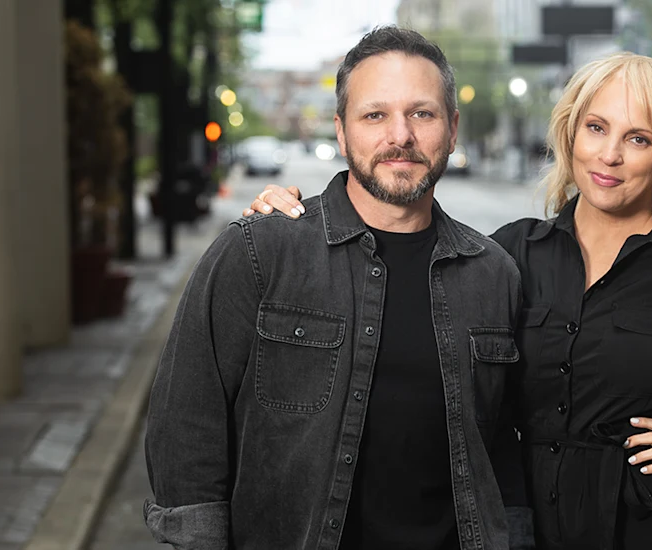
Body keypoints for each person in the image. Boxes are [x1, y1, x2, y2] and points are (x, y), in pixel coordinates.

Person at [247, 52, 652, 549]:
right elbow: (394, 280)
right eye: (596, 128)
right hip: (525, 525)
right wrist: (296, 221)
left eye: (637, 138)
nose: (609, 155)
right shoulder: (508, 255)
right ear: (570, 133)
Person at [144, 27, 533, 550]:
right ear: (342, 131)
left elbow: (503, 451)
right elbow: (187, 430)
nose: (401, 136)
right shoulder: (260, 252)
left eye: (422, 113)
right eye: (375, 115)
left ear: (453, 127)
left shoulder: (494, 274)